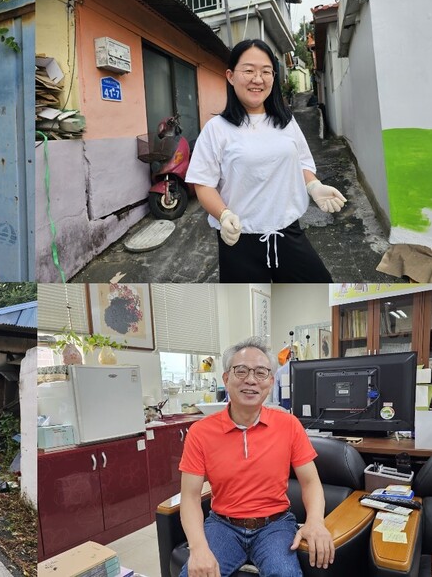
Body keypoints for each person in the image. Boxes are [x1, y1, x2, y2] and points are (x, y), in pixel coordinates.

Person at [186, 39, 347, 283]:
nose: (257, 79)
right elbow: (203, 184)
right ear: (230, 76)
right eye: (249, 70)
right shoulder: (216, 130)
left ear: (274, 77)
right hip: (238, 239)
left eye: (265, 72)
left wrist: (314, 186)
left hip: (287, 233)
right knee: (247, 314)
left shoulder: (286, 122)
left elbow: (302, 163)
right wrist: (223, 215)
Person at [178, 337, 334, 577]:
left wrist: (315, 521)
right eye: (241, 371)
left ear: (271, 382)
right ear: (226, 378)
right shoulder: (200, 432)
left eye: (261, 373)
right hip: (223, 525)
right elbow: (189, 497)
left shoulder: (289, 425)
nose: (251, 380)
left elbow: (311, 482)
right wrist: (198, 548)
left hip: (275, 526)